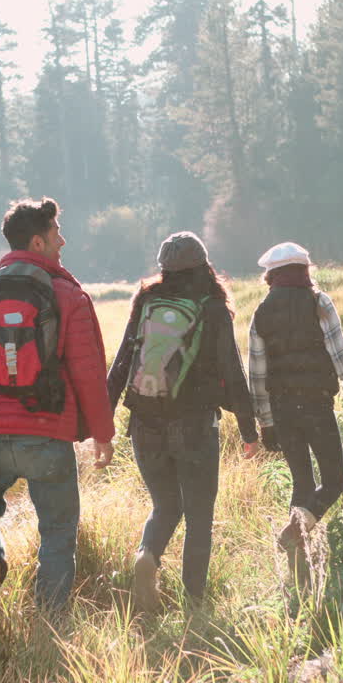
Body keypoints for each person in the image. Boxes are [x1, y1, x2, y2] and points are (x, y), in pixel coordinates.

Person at [0, 197, 116, 611]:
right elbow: (89, 372)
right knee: (58, 530)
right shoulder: (69, 295)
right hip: (49, 436)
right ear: (38, 241)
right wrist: (102, 434)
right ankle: (49, 622)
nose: (62, 240)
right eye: (56, 234)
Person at [106, 232, 259, 610]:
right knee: (199, 516)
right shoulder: (212, 307)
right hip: (193, 424)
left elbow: (123, 362)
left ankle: (148, 556)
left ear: (164, 268)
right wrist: (249, 430)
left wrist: (102, 425)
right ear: (204, 265)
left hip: (144, 423)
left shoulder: (146, 300)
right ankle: (195, 603)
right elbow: (233, 372)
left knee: (165, 506)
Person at [248, 242, 343, 583]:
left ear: (270, 276)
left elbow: (257, 371)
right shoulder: (319, 302)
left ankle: (298, 567)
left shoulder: (261, 313)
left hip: (283, 410)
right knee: (334, 481)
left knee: (302, 483)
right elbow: (340, 351)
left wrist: (266, 421)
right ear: (305, 271)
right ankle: (296, 533)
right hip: (317, 404)